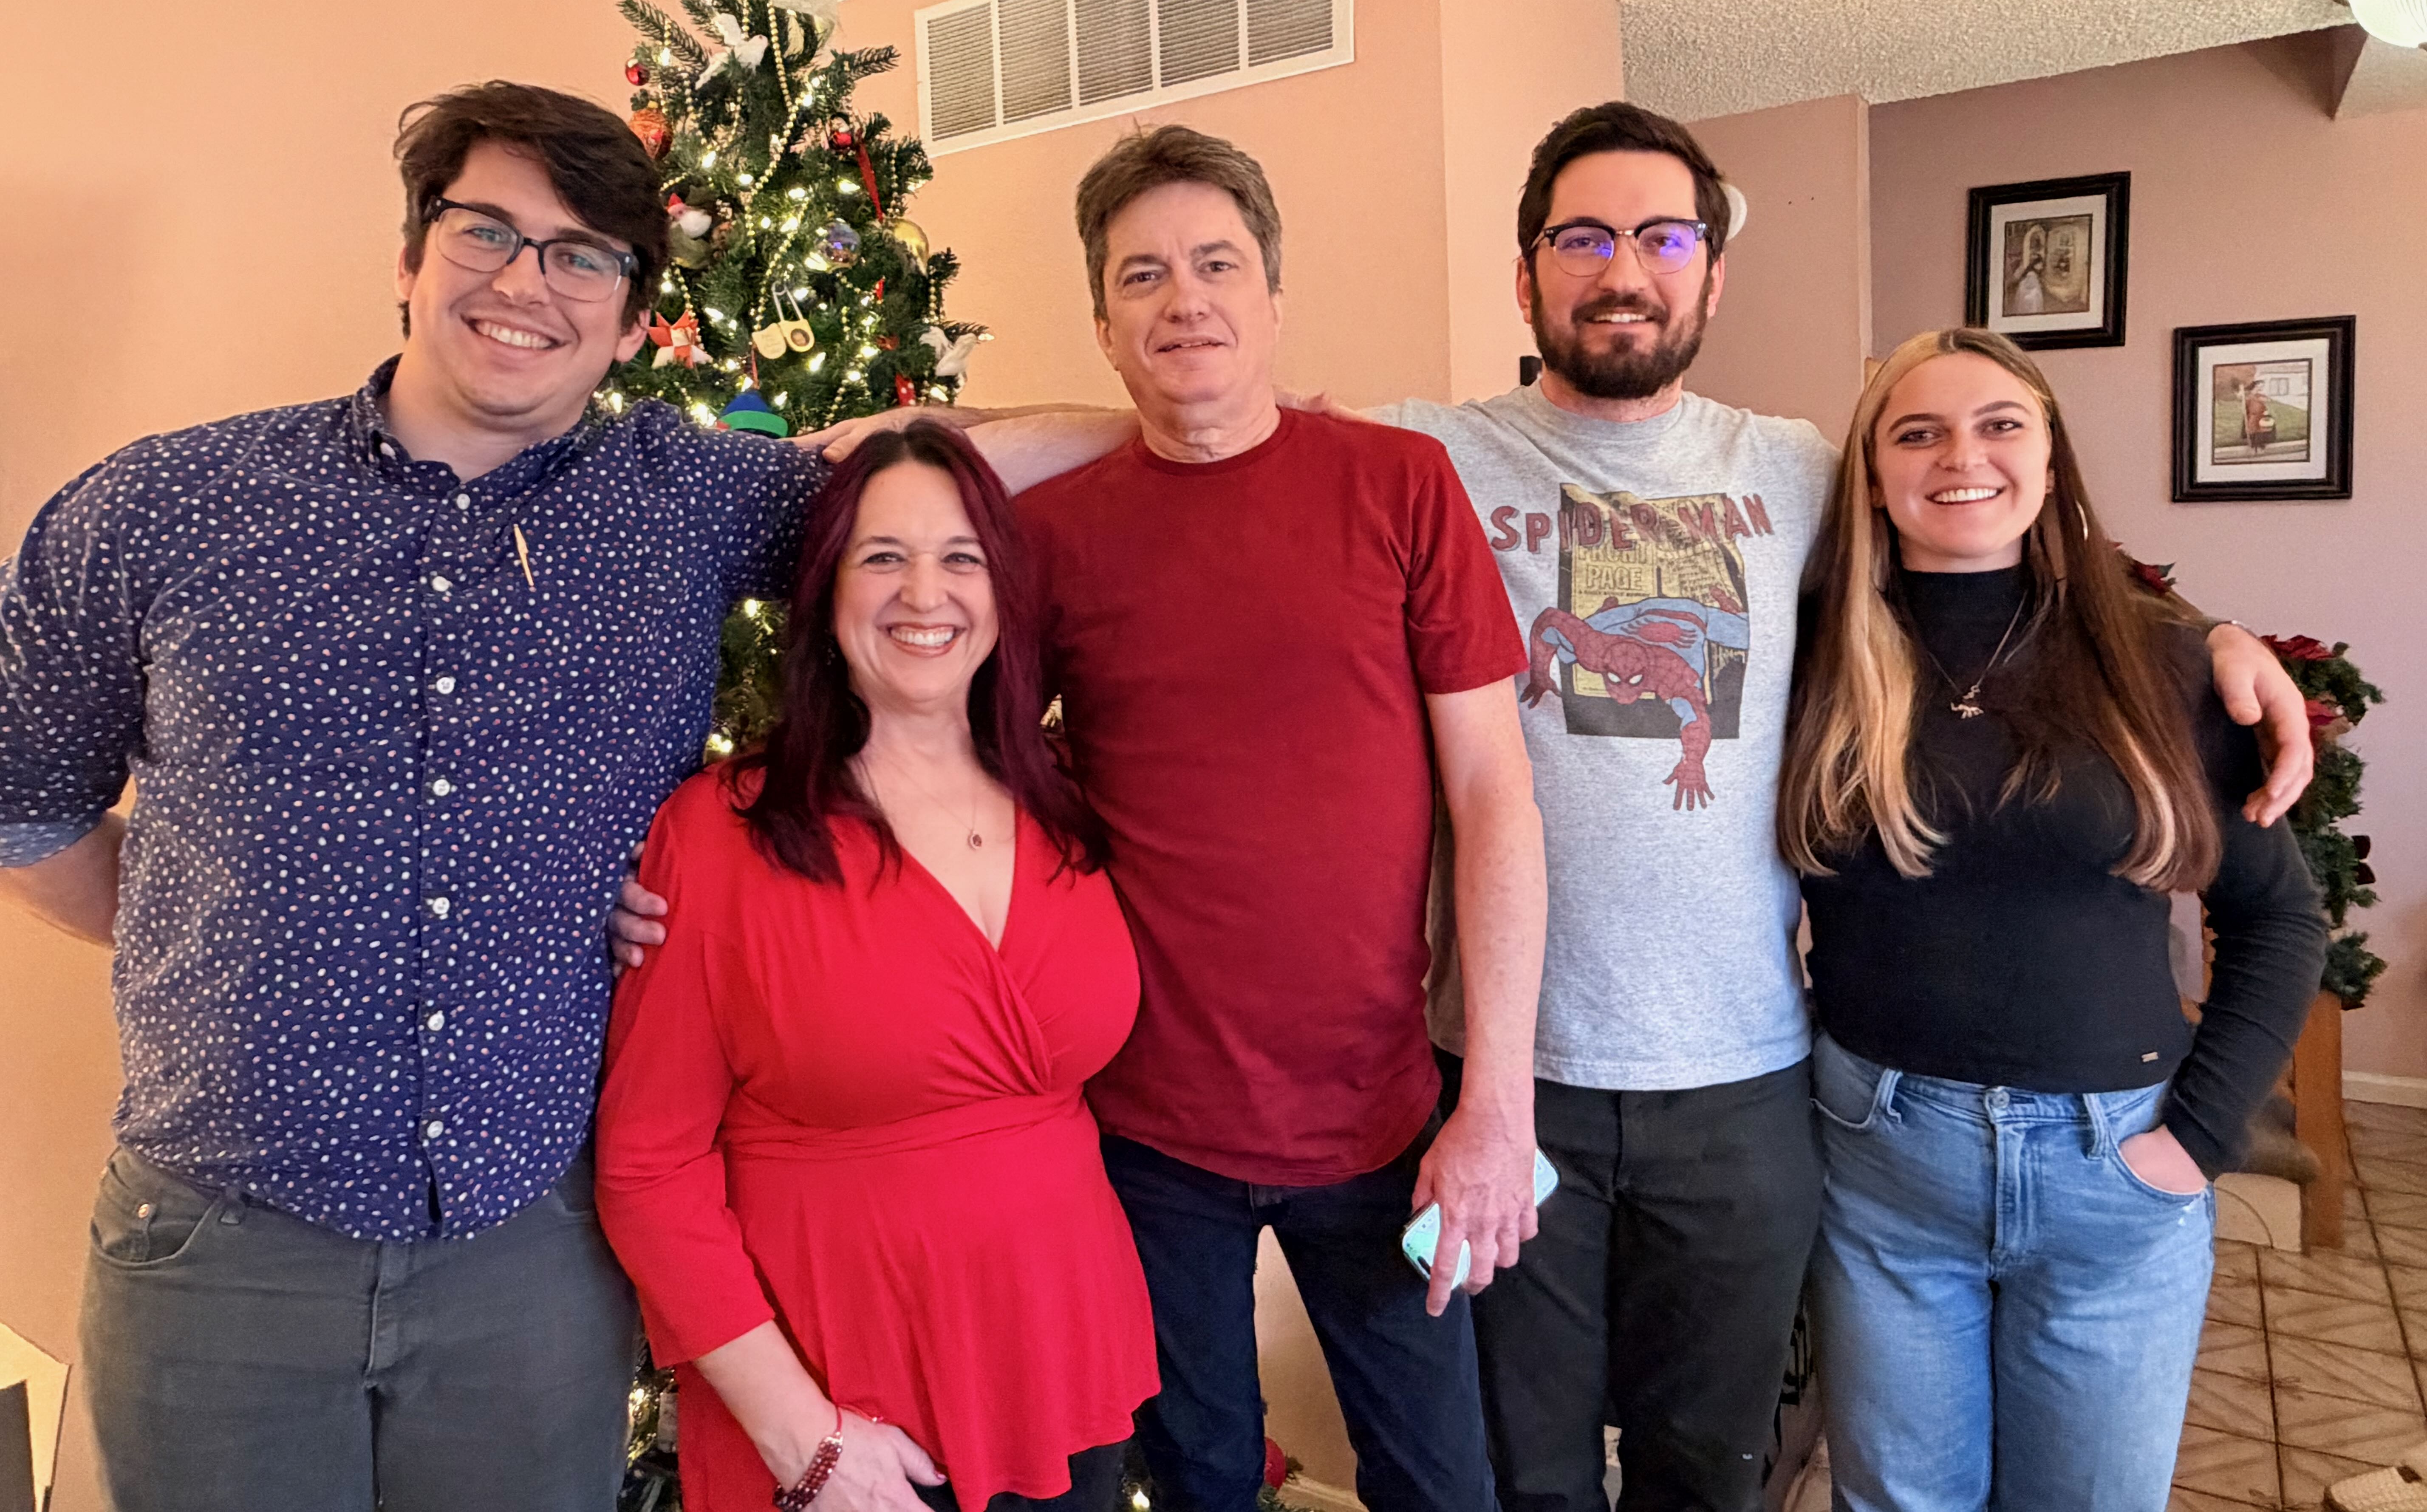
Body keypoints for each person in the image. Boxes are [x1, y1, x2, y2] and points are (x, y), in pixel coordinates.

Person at [626, 106, 2313, 1512]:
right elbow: (1111, 502)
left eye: (1661, 239)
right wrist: (929, 454)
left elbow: (1987, 535)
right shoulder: (1425, 452)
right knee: (1451, 1471)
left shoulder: (1793, 463)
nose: (1625, 270)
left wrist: (2194, 637)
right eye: (1586, 238)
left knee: (1679, 1465)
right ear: (1531, 271)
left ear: (1710, 266)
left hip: (1660, 1086)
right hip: (1330, 1105)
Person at [0, 81, 1081, 1512]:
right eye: (488, 231)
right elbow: (31, 806)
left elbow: (948, 487)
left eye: (584, 255)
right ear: (408, 258)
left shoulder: (687, 500)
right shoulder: (166, 507)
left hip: (534, 1254)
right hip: (219, 1248)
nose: (528, 281)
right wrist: (218, 926)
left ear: (635, 321)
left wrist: (1194, 414)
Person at [626, 124, 1551, 1512]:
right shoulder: (1055, 540)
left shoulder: (1399, 486)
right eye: (1143, 276)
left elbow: (1494, 796)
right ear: (1104, 321)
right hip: (1142, 1137)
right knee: (1198, 1476)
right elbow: (937, 709)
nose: (1185, 300)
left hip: (1383, 1121)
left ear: (1274, 296)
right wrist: (666, 876)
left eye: (1217, 265)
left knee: (1444, 1480)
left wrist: (1496, 1096)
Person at [1779, 328, 2324, 1512]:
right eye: (1915, 431)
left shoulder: (2164, 663)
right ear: (1873, 474)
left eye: (1999, 423)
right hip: (1881, 1161)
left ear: (2050, 457)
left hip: (2114, 1169)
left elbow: (2279, 920)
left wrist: (2195, 1141)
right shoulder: (1807, 656)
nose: (1959, 454)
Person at [593, 421, 1155, 1512]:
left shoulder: (1069, 807)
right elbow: (647, 1171)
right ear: (825, 594)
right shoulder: (721, 836)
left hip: (1062, 1358)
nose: (924, 594)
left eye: (961, 558)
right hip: (835, 1403)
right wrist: (805, 1435)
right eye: (882, 557)